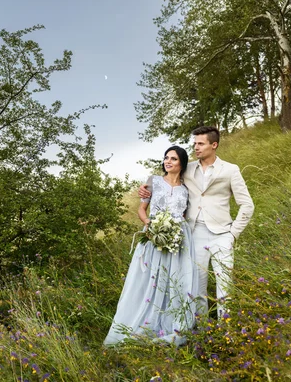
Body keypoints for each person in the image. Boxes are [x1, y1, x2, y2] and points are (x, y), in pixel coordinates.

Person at [139, 126, 254, 318]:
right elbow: (166, 182)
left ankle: (226, 331)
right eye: (195, 144)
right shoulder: (188, 168)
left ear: (214, 145)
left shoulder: (230, 170)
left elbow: (247, 205)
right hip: (194, 235)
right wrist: (145, 190)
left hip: (223, 234)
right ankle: (203, 330)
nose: (196, 148)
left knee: (225, 285)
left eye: (200, 144)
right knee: (197, 286)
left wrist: (233, 233)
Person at [104, 146, 199, 347]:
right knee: (149, 280)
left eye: (173, 158)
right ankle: (141, 323)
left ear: (182, 163)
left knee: (173, 281)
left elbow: (182, 215)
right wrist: (150, 225)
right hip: (153, 236)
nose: (168, 161)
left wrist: (175, 231)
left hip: (177, 240)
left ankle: (170, 325)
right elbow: (141, 209)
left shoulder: (186, 189)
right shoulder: (153, 181)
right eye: (166, 158)